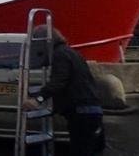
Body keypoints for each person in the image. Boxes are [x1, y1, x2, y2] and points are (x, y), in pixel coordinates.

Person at [22, 25, 105, 156]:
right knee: (90, 148)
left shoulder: (59, 55)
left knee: (80, 150)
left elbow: (59, 81)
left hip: (81, 112)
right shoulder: (71, 52)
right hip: (91, 109)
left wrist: (38, 99)